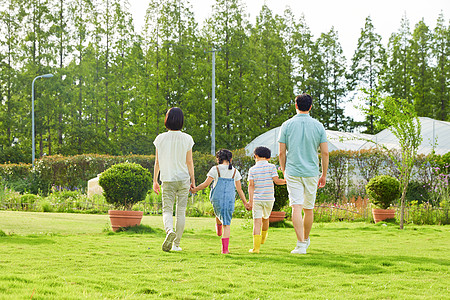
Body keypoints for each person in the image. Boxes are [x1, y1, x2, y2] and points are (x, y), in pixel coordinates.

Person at [278, 93, 329, 254]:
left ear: (296, 106)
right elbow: (325, 153)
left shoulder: (286, 125)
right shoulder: (318, 126)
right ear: (311, 107)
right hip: (312, 172)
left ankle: (300, 244)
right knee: (308, 208)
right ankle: (305, 240)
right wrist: (324, 174)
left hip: (293, 171)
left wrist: (284, 170)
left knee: (296, 206)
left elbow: (281, 153)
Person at [191, 149, 250, 254]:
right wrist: (245, 202)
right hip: (229, 199)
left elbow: (206, 184)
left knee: (219, 214)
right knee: (227, 223)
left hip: (216, 198)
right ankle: (225, 250)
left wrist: (195, 189)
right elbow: (239, 189)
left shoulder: (215, 169)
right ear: (230, 159)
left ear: (218, 159)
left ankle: (219, 229)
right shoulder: (235, 171)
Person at [153, 107, 195, 252]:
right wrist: (193, 181)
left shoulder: (160, 138)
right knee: (181, 211)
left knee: (167, 210)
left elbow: (157, 162)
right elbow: (189, 162)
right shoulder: (187, 138)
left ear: (167, 119)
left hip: (167, 179)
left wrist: (155, 181)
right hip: (183, 179)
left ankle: (169, 230)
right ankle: (176, 244)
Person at [247, 146, 286, 254]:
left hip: (257, 199)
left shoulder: (252, 169)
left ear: (255, 156)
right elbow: (277, 181)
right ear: (268, 158)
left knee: (256, 222)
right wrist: (287, 181)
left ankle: (256, 248)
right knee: (266, 218)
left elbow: (251, 185)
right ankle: (263, 239)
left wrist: (250, 201)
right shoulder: (272, 167)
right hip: (269, 199)